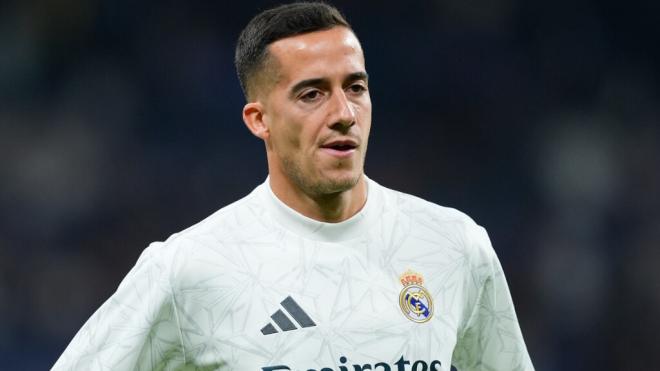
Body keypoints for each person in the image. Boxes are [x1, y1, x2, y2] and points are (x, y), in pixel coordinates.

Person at [53, 2, 534, 370]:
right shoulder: (189, 270)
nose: (343, 114)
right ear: (259, 119)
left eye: (356, 87)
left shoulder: (454, 246)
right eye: (312, 93)